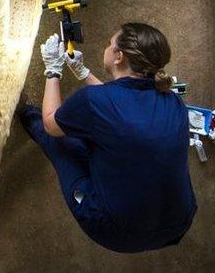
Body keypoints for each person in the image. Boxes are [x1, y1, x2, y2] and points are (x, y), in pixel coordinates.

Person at [16, 24, 197, 253]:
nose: (107, 47)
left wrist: (53, 70)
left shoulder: (93, 101)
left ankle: (24, 113)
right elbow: (118, 110)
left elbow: (52, 124)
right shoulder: (173, 101)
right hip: (178, 224)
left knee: (63, 141)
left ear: (119, 56)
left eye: (110, 44)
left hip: (117, 232)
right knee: (105, 134)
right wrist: (84, 73)